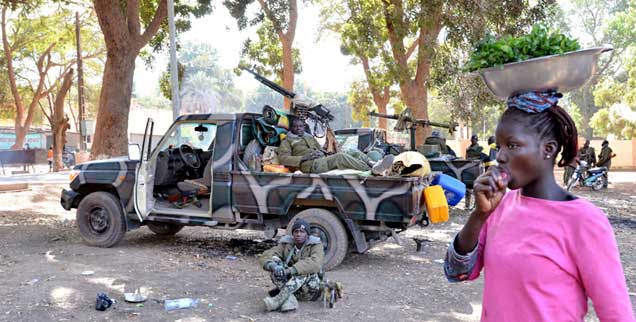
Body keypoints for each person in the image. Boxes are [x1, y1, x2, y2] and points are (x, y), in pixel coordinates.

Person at [444, 90, 633, 321]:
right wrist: (479, 215)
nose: (500, 156)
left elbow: (616, 314)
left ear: (548, 149)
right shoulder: (500, 207)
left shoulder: (583, 220)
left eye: (512, 145)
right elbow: (458, 272)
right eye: (500, 146)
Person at [278, 118, 393, 174]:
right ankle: (371, 170)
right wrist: (304, 158)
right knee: (340, 157)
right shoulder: (287, 141)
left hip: (322, 159)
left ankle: (373, 163)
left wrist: (327, 149)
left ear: (304, 127)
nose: (298, 128)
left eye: (301, 126)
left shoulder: (309, 137)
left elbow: (321, 149)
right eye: (295, 127)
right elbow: (283, 158)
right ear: (291, 128)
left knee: (351, 151)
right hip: (311, 165)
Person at [258, 219, 324, 312]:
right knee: (276, 270)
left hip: (309, 290)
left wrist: (290, 270)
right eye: (296, 231)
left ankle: (277, 301)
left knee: (302, 271)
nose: (298, 234)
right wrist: (273, 266)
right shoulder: (287, 243)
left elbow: (315, 263)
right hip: (293, 289)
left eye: (302, 231)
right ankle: (290, 301)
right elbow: (269, 254)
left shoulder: (315, 245)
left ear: (307, 234)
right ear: (293, 233)